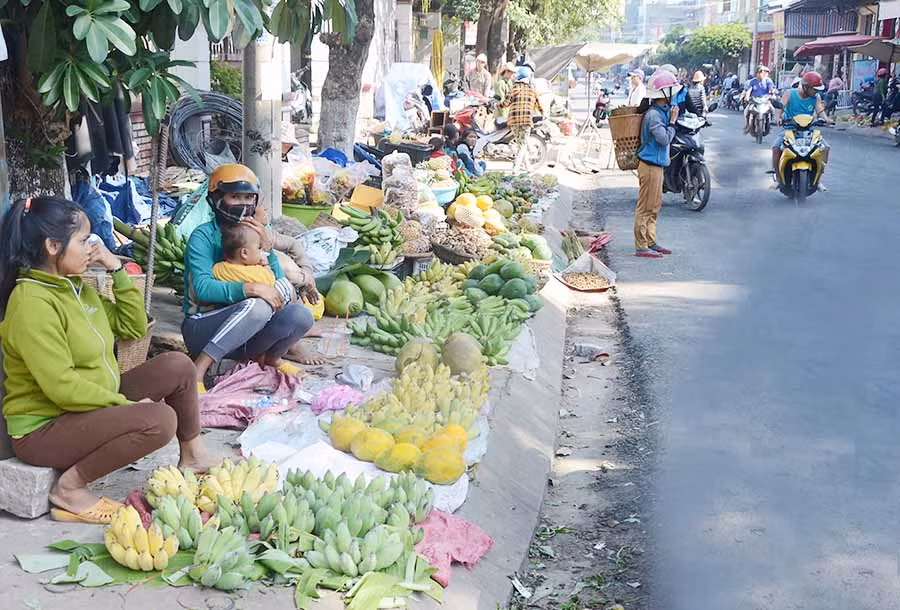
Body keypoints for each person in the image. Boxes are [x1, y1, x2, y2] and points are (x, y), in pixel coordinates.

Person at [0, 197, 217, 524]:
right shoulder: (31, 303)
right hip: (44, 427)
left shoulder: (77, 289)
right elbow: (62, 387)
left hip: (87, 406)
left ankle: (193, 454)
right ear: (53, 246)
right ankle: (70, 488)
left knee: (178, 365)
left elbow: (134, 327)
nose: (91, 247)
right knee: (158, 420)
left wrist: (117, 270)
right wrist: (123, 405)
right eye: (83, 240)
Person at [182, 164, 315, 392]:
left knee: (301, 315)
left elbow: (278, 283)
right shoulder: (203, 236)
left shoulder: (256, 234)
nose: (243, 204)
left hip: (245, 332)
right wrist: (250, 288)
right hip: (202, 327)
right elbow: (203, 289)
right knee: (258, 306)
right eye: (235, 196)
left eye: (248, 197)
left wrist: (266, 246)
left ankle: (271, 358)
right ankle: (200, 367)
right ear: (216, 199)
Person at [634, 71, 681, 259]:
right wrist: (672, 122)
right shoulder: (655, 115)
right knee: (645, 206)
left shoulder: (660, 111)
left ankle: (650, 241)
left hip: (657, 165)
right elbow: (664, 139)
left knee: (654, 206)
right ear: (665, 94)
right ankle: (641, 245)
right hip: (650, 165)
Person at [772, 71, 832, 175]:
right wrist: (778, 118)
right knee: (776, 147)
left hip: (808, 129)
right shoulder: (790, 93)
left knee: (825, 148)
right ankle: (777, 175)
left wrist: (826, 119)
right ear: (805, 87)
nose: (816, 91)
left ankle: (818, 176)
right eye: (814, 89)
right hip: (789, 128)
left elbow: (820, 111)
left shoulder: (816, 97)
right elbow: (780, 107)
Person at [503, 67, 544, 172]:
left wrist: (497, 105)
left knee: (521, 143)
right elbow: (539, 106)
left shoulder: (513, 89)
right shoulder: (532, 91)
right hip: (526, 121)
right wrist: (543, 114)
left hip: (513, 121)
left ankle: (528, 167)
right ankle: (515, 167)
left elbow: (505, 103)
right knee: (522, 144)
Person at [742, 65, 776, 133]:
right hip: (754, 100)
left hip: (765, 100)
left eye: (762, 72)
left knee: (772, 109)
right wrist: (747, 97)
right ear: (756, 73)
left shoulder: (768, 81)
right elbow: (749, 90)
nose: (761, 74)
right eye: (759, 72)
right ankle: (747, 126)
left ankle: (770, 123)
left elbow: (771, 89)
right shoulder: (752, 82)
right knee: (746, 111)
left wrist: (773, 94)